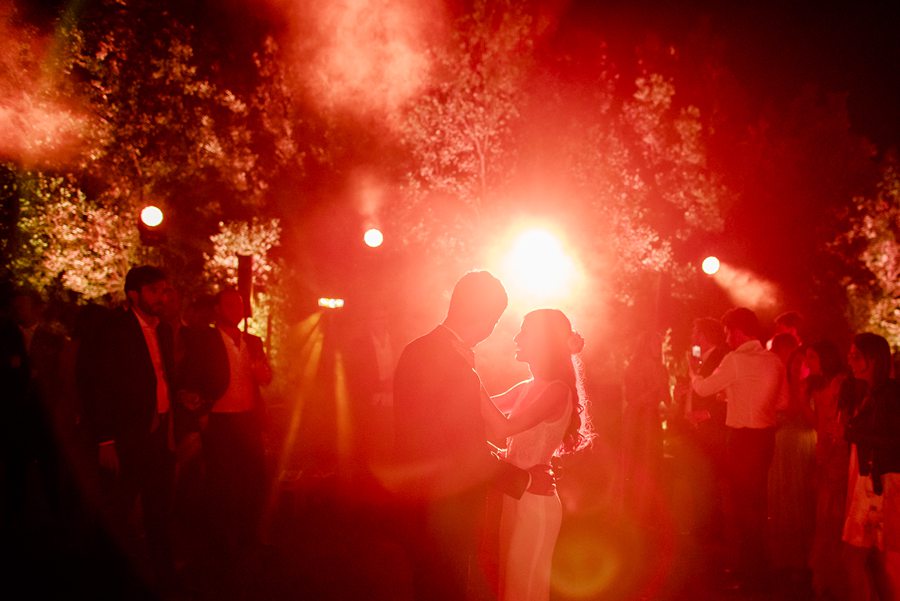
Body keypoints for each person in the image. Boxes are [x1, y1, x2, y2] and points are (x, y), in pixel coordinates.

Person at [392, 271, 554, 601]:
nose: (492, 328)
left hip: (417, 500)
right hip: (445, 506)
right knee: (445, 588)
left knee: (428, 585)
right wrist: (521, 478)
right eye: (493, 318)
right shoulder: (452, 363)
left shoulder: (416, 350)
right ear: (480, 315)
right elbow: (462, 448)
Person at [480, 309, 592, 601]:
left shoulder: (556, 391)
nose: (517, 338)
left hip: (536, 504)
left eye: (525, 331)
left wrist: (470, 374)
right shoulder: (527, 387)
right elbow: (478, 411)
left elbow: (503, 427)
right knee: (510, 587)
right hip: (515, 493)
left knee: (525, 589)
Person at [81, 265, 178, 592]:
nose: (162, 297)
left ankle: (164, 576)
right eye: (154, 291)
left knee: (159, 510)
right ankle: (109, 577)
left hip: (159, 435)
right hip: (127, 437)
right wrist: (105, 440)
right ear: (133, 295)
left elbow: (163, 377)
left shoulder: (163, 330)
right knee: (119, 510)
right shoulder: (114, 331)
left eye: (164, 290)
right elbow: (99, 386)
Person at [691, 307, 789, 592]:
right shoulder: (773, 361)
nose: (726, 339)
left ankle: (749, 575)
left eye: (726, 332)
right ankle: (758, 570)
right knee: (757, 506)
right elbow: (783, 403)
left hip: (742, 441)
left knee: (742, 507)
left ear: (738, 331)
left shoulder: (735, 360)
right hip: (765, 440)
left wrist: (694, 372)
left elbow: (703, 390)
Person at [178, 288, 271, 573]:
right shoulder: (204, 339)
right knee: (221, 483)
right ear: (218, 309)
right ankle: (220, 542)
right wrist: (197, 413)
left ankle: (248, 537)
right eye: (229, 304)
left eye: (240, 304)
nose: (236, 309)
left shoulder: (252, 342)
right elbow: (190, 380)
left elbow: (266, 379)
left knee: (254, 481)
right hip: (219, 421)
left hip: (248, 420)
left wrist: (261, 372)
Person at [842, 333, 900, 601]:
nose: (850, 361)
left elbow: (894, 440)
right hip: (872, 481)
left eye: (856, 356)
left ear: (873, 359)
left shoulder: (889, 395)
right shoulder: (872, 393)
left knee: (874, 560)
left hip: (885, 484)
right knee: (868, 559)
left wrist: (855, 434)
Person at [806, 340, 853, 600]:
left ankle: (833, 580)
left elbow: (838, 422)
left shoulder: (839, 383)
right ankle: (823, 578)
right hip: (823, 449)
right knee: (822, 514)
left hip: (837, 453)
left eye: (813, 357)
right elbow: (818, 422)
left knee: (832, 515)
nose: (808, 363)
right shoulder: (820, 383)